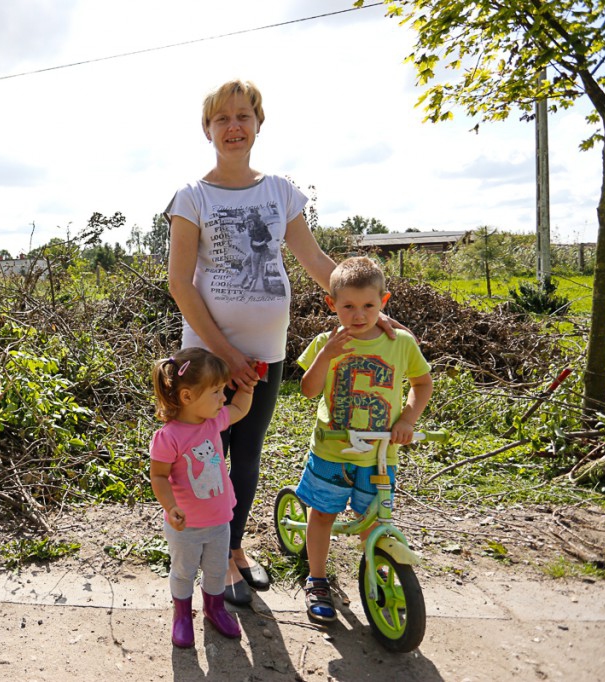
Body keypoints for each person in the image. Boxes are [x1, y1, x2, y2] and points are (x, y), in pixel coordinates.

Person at [165, 79, 400, 606]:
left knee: (246, 457)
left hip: (266, 355)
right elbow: (180, 283)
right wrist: (227, 355)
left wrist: (369, 310)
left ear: (257, 124)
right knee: (204, 457)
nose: (233, 127)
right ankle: (197, 555)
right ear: (207, 129)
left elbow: (318, 264)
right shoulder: (191, 198)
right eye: (222, 118)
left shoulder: (279, 192)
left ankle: (230, 551)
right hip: (207, 359)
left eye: (243, 116)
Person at [296, 256, 433, 623]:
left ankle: (379, 572)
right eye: (349, 307)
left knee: (372, 519)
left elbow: (422, 383)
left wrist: (408, 417)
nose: (359, 315)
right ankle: (318, 578)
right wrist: (326, 354)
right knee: (323, 514)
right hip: (332, 450)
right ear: (332, 305)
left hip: (380, 455)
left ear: (383, 302)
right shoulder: (326, 342)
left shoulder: (400, 343)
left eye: (369, 306)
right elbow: (308, 390)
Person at [149, 347, 253, 648]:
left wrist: (246, 386)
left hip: (220, 521)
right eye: (217, 392)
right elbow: (158, 476)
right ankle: (182, 614)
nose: (224, 398)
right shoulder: (168, 437)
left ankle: (214, 608)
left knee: (217, 569)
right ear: (187, 397)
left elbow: (239, 410)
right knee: (184, 571)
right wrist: (171, 507)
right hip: (186, 526)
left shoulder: (212, 421)